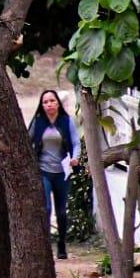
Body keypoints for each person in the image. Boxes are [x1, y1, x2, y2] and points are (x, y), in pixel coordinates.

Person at [29, 89, 81, 260]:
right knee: (46, 208)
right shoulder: (38, 122)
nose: (49, 104)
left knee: (61, 212)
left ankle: (61, 244)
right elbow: (26, 141)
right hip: (43, 171)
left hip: (62, 173)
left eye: (52, 101)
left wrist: (75, 158)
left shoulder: (67, 121)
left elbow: (76, 143)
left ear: (58, 103)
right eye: (45, 102)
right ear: (42, 105)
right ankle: (44, 245)